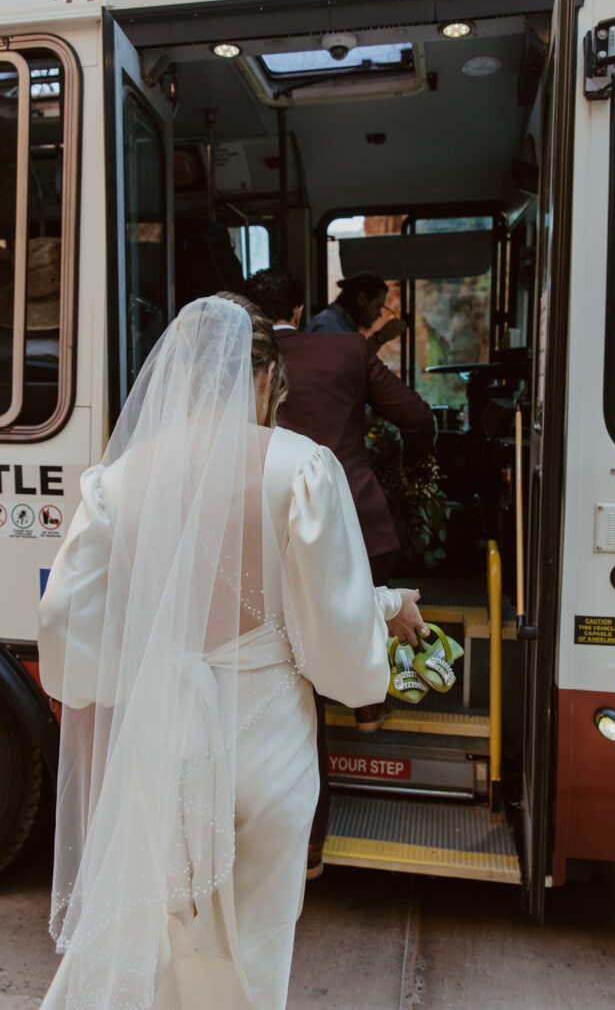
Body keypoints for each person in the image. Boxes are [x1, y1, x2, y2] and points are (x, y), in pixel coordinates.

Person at [37, 294, 425, 1010]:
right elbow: (331, 634)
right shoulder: (300, 469)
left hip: (162, 736)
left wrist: (117, 671)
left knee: (165, 937)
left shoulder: (117, 482)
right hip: (267, 743)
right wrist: (388, 606)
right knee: (255, 945)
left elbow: (65, 620)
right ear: (266, 376)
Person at [243, 270, 434, 878]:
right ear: (299, 307)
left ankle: (308, 850)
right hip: (358, 517)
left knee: (296, 669)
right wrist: (418, 464)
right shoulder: (346, 348)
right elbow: (415, 415)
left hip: (266, 533)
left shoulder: (238, 362)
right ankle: (368, 706)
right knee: (354, 594)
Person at [305, 271, 406, 354]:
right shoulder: (328, 327)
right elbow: (344, 368)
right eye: (377, 306)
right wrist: (381, 336)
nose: (379, 314)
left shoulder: (341, 326)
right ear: (362, 299)